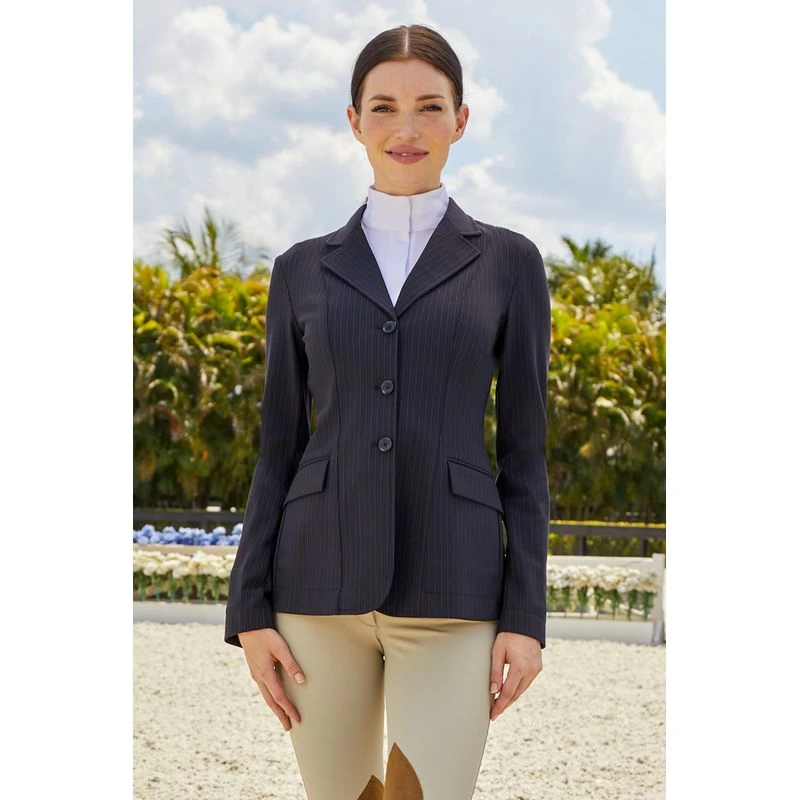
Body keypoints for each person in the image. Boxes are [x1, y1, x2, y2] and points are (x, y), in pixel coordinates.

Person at [224, 23, 551, 800]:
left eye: (430, 106)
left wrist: (526, 617)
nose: (407, 128)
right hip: (313, 589)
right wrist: (249, 610)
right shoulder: (301, 269)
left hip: (454, 588)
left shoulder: (509, 262)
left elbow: (526, 452)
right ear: (354, 121)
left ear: (461, 120)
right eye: (384, 107)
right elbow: (279, 448)